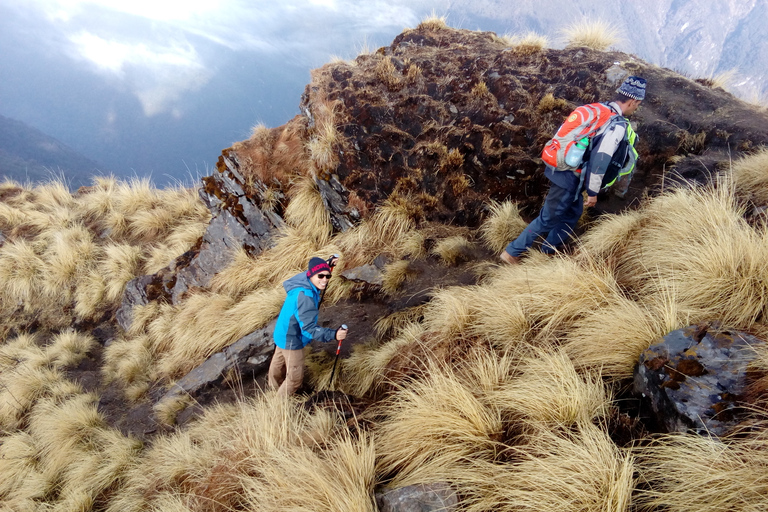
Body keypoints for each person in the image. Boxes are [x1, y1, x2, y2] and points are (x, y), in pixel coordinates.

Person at [501, 76, 646, 264]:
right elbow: (600, 160)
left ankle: (550, 249)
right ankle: (512, 252)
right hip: (569, 177)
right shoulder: (615, 125)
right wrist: (593, 192)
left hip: (561, 168)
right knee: (547, 218)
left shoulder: (597, 109)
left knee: (572, 212)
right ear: (633, 101)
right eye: (638, 104)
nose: (637, 108)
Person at [268, 256, 348, 397]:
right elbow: (309, 329)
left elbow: (314, 272)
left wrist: (326, 265)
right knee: (294, 379)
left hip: (282, 332)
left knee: (278, 363)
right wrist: (334, 334)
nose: (324, 280)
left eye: (327, 276)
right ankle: (279, 405)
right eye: (321, 276)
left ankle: (273, 388)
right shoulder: (306, 298)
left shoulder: (301, 281)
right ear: (311, 275)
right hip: (292, 339)